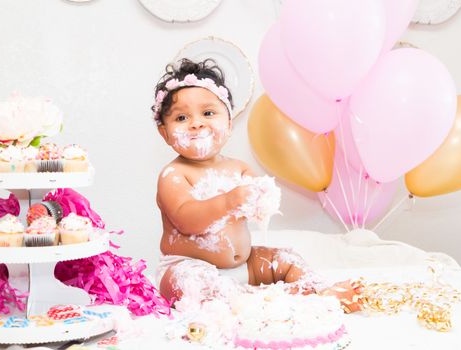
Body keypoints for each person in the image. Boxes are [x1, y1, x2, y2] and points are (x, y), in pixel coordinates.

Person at [153, 58, 361, 312]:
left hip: (246, 264)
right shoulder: (174, 175)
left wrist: (261, 199)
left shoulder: (238, 168)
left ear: (228, 124)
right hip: (189, 266)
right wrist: (229, 201)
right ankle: (261, 301)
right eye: (182, 117)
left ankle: (314, 289)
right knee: (194, 284)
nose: (197, 123)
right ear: (164, 132)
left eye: (208, 113)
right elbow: (186, 220)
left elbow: (258, 204)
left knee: (285, 258)